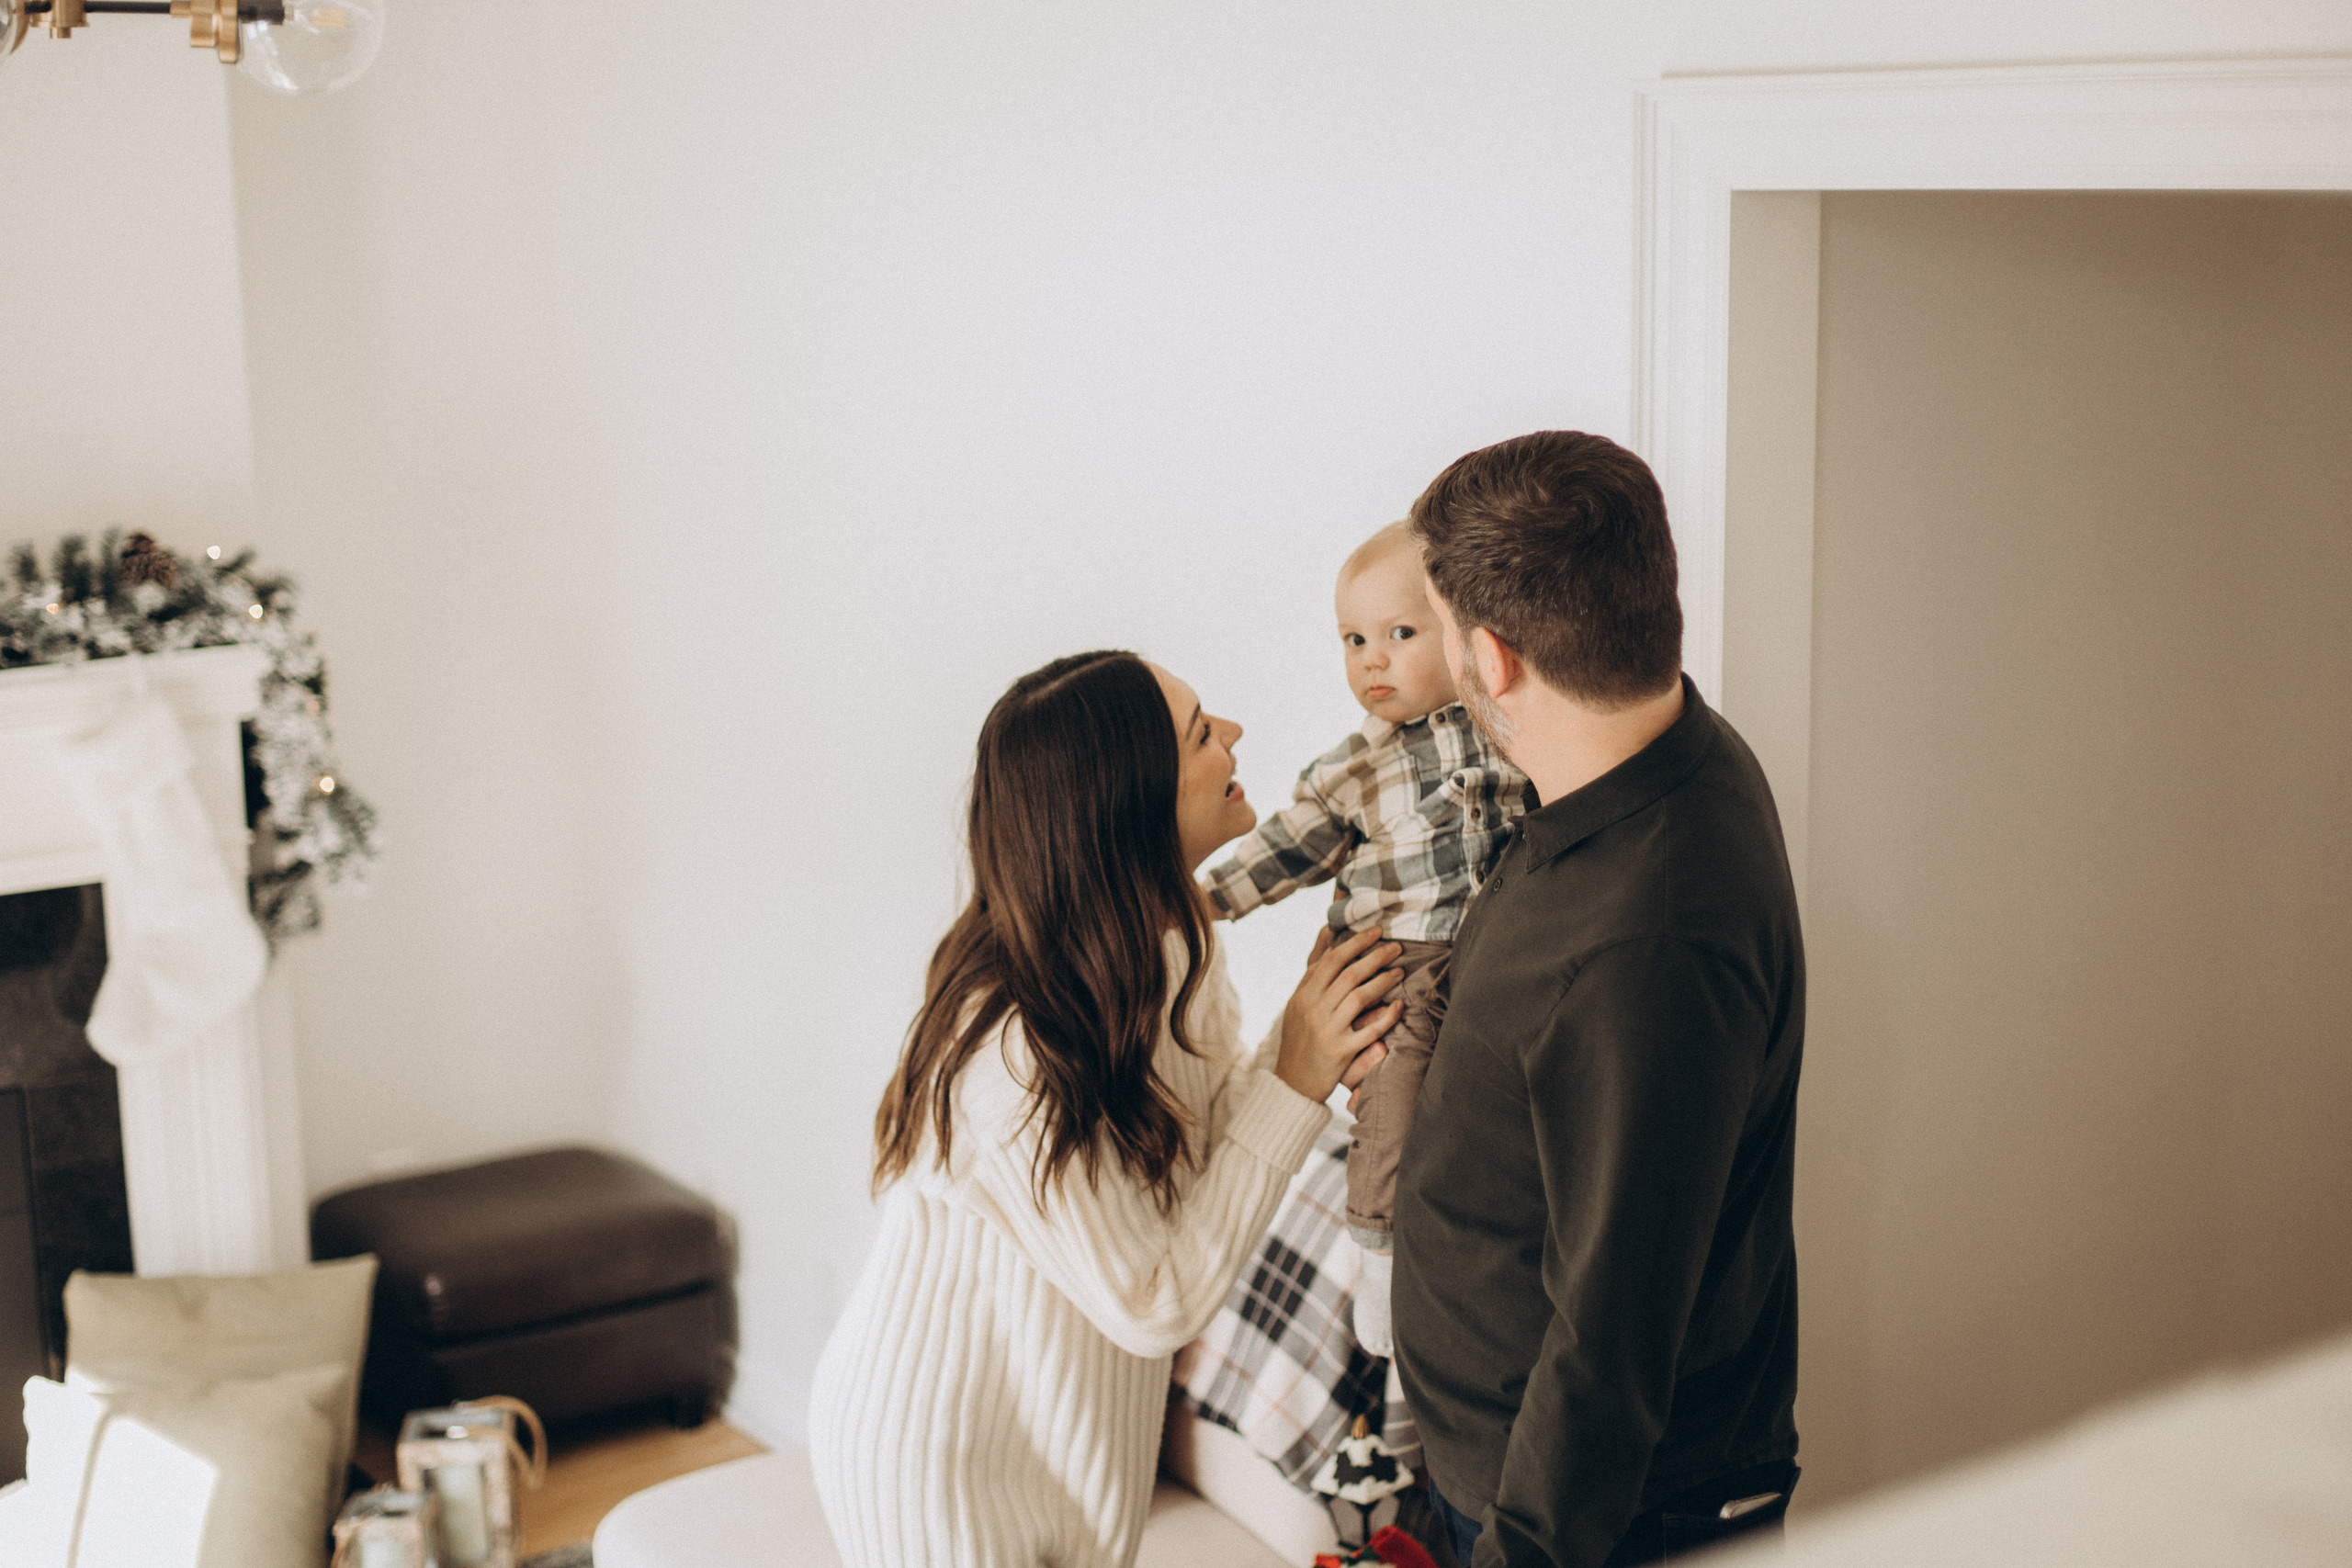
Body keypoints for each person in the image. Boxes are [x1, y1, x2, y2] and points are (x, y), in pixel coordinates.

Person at [808, 649, 1406, 1568]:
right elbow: (1153, 1297)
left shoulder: (1165, 957)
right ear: (1130, 801)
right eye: (1200, 731)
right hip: (935, 1460)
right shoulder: (1016, 1049)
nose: (1233, 736)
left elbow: (1201, 1160)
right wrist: (1295, 1076)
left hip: (1060, 1451)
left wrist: (1307, 1035)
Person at [1392, 433, 1806, 1568]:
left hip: (1592, 1518)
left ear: (1494, 654)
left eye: (1430, 631)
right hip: (1511, 1465)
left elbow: (1613, 1329)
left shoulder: (1649, 941)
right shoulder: (1667, 750)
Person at [1200, 520, 1533, 1357]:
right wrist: (1207, 899)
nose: (1370, 661)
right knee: (1397, 1093)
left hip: (1496, 949)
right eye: (1352, 640)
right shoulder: (1356, 767)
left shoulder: (1508, 724)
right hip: (1406, 960)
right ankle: (1380, 1256)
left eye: (1399, 634)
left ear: (1464, 637)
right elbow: (1290, 844)